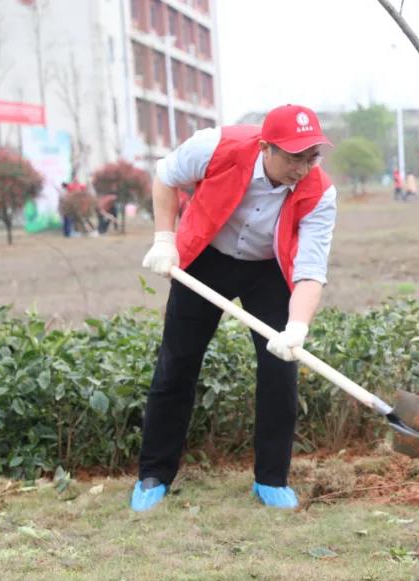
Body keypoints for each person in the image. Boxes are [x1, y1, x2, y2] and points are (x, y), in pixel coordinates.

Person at [133, 104, 337, 512]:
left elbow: (310, 270)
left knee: (281, 366)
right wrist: (163, 238)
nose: (303, 167)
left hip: (268, 269)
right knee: (177, 362)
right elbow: (165, 176)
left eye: (311, 156)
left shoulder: (320, 194)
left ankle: (271, 479)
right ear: (266, 147)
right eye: (294, 156)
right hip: (207, 256)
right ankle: (154, 474)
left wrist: (296, 327)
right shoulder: (215, 145)